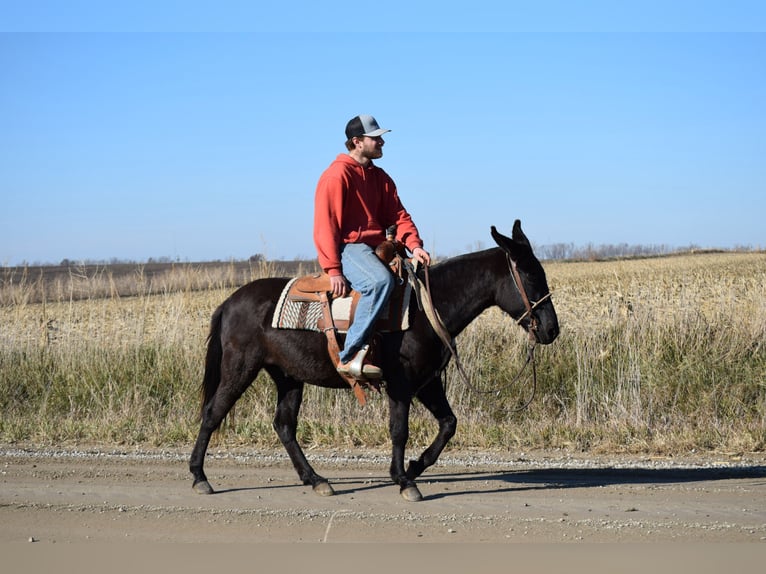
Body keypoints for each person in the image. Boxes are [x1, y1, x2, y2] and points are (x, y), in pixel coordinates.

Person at [314, 114, 431, 379]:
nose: (382, 143)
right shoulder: (336, 175)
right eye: (375, 138)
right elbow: (326, 225)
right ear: (357, 142)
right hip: (349, 248)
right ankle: (350, 354)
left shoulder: (381, 178)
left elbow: (399, 216)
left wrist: (414, 245)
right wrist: (333, 270)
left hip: (377, 247)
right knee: (379, 283)